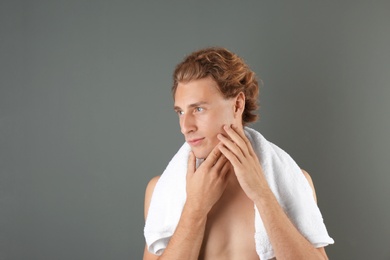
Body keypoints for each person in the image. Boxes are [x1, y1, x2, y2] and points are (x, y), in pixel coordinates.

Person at [143, 47, 333, 259]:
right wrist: (195, 208)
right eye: (180, 112)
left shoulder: (294, 181)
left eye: (198, 109)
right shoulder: (162, 190)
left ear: (237, 105)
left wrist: (262, 194)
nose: (185, 126)